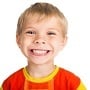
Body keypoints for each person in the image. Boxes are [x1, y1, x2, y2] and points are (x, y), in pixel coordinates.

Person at [1, 2, 86, 90]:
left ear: (63, 41)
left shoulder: (73, 84)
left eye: (51, 33)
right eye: (30, 32)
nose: (40, 40)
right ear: (18, 39)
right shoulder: (9, 84)